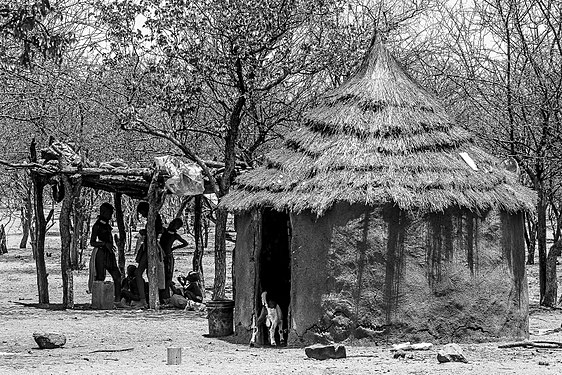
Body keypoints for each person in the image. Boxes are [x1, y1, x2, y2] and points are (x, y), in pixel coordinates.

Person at [89, 202, 124, 308]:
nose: (111, 215)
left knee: (117, 276)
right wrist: (104, 244)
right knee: (100, 277)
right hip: (101, 253)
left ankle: (117, 300)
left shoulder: (107, 225)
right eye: (109, 212)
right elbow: (92, 242)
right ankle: (98, 301)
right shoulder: (97, 226)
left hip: (109, 254)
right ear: (103, 212)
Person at [135, 201, 164, 308]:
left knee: (138, 273)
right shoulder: (155, 219)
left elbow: (155, 232)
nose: (142, 215)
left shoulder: (154, 219)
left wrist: (145, 232)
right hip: (149, 247)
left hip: (150, 248)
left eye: (142, 212)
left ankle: (143, 299)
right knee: (148, 274)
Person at [159, 218, 189, 299]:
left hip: (166, 256)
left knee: (167, 276)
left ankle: (166, 295)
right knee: (164, 275)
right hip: (163, 256)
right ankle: (163, 295)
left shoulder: (172, 234)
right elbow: (185, 243)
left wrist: (173, 248)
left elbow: (185, 243)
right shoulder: (166, 232)